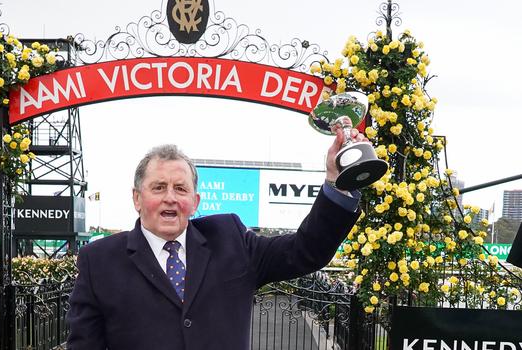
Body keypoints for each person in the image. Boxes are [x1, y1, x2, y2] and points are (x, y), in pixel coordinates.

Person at [66, 120, 365, 350]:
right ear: (137, 198)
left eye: (181, 188)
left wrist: (336, 185)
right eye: (159, 187)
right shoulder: (99, 260)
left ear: (195, 202)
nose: (170, 197)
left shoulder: (230, 239)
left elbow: (304, 251)